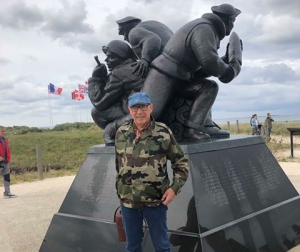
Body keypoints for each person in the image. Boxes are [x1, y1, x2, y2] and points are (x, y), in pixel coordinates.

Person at [141, 4, 242, 142]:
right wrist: (228, 71)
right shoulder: (204, 28)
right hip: (164, 74)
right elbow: (209, 61)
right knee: (149, 114)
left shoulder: (209, 29)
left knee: (208, 88)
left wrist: (224, 61)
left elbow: (201, 71)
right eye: (233, 21)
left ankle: (193, 128)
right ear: (229, 21)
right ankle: (114, 128)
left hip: (181, 78)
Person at [115, 92, 189, 252]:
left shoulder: (163, 132)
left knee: (161, 246)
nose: (139, 111)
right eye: (135, 107)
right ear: (129, 109)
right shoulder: (121, 132)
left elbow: (180, 162)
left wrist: (174, 189)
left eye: (143, 107)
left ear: (151, 108)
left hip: (155, 201)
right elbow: (119, 164)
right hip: (129, 202)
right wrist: (121, 191)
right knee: (132, 247)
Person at [88, 40, 144, 145]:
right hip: (145, 110)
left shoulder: (119, 73)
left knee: (96, 112)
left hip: (137, 114)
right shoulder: (135, 67)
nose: (106, 60)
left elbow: (99, 102)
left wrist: (95, 79)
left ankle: (115, 131)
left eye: (111, 57)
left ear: (121, 57)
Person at [0, 126, 16, 198]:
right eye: (1, 131)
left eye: (4, 131)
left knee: (7, 177)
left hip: (5, 162)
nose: (3, 132)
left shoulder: (5, 140)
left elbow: (7, 150)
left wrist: (8, 158)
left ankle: (7, 192)